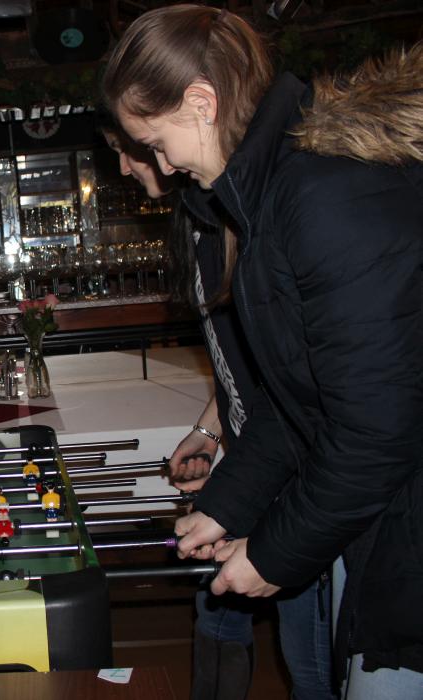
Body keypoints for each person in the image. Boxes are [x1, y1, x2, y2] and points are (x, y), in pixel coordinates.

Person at [103, 7, 423, 697]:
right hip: (377, 525)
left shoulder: (325, 194)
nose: (163, 165)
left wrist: (275, 553)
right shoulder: (276, 195)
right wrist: (228, 505)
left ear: (201, 102)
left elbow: (376, 432)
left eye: (155, 142)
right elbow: (293, 398)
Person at [100, 112, 334, 700]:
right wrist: (208, 431)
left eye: (133, 147)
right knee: (218, 611)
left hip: (294, 467)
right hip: (256, 457)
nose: (125, 165)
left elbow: (292, 377)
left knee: (310, 661)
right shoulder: (197, 219)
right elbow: (247, 363)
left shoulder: (244, 218)